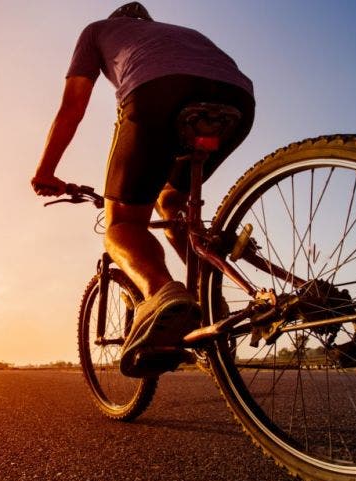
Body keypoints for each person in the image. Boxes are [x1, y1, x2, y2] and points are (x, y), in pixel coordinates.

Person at [32, 2, 255, 377]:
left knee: (122, 224)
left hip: (158, 92)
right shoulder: (183, 33)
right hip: (238, 100)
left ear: (116, 20)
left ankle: (161, 293)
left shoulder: (96, 30)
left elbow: (73, 106)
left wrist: (46, 171)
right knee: (171, 201)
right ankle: (209, 298)